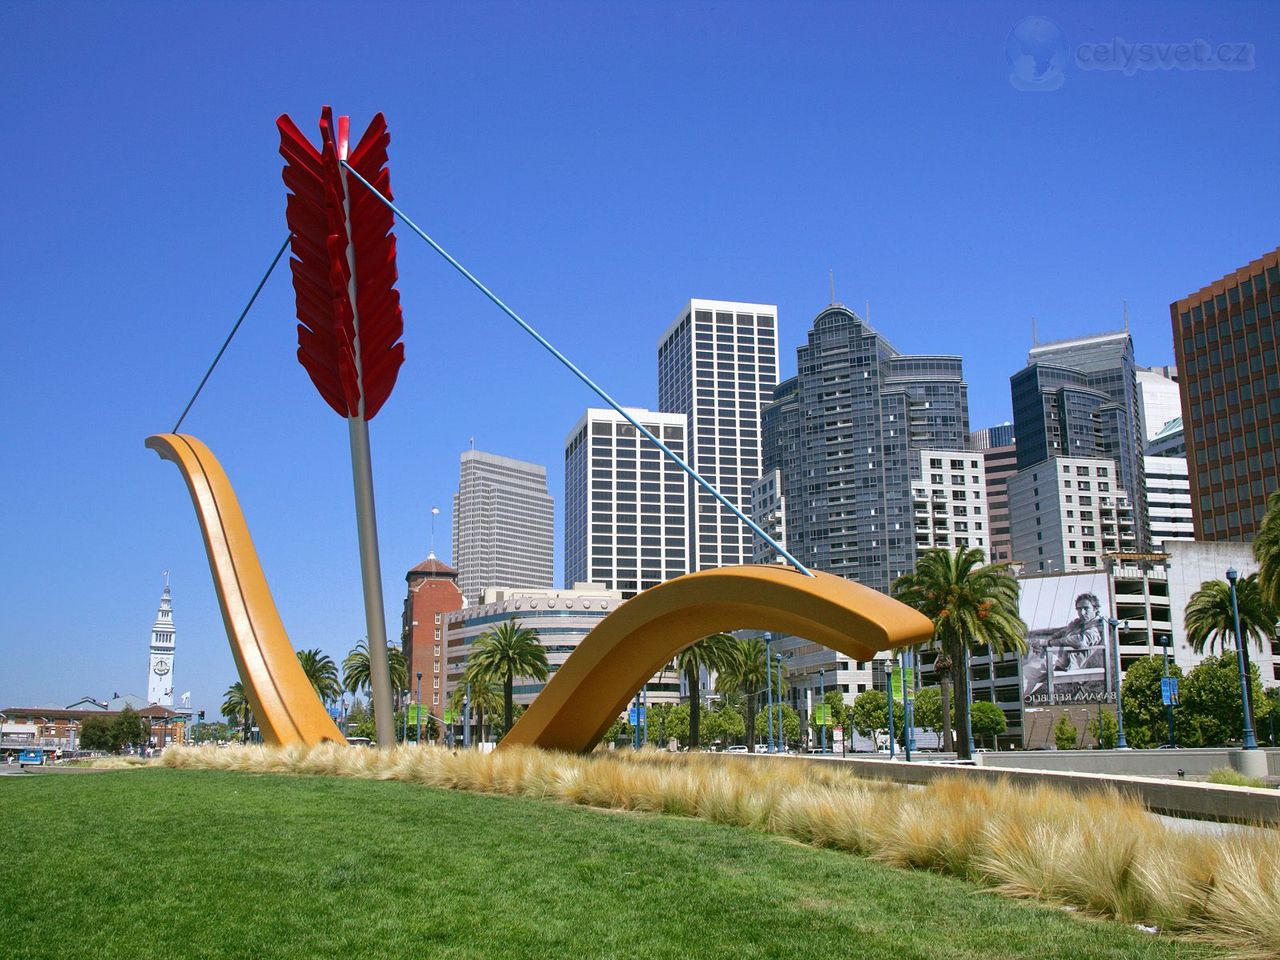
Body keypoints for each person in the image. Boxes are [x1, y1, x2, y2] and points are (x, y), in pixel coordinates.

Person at [1023, 592, 1106, 698]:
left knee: (1034, 668)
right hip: (1058, 657)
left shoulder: (1096, 627)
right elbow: (1059, 634)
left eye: (1086, 608)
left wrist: (1050, 643)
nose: (1082, 612)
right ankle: (1019, 693)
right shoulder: (1075, 623)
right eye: (1079, 609)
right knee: (1031, 656)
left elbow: (1080, 642)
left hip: (1071, 661)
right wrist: (1043, 643)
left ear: (1095, 608)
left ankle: (1018, 693)